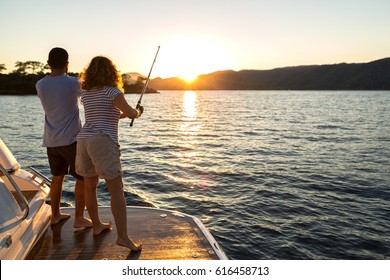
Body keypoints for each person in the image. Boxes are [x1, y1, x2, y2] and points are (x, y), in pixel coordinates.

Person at [76, 56, 143, 251]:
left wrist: (121, 114)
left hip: (83, 141)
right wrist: (137, 112)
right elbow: (131, 113)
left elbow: (104, 113)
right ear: (111, 72)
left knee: (90, 187)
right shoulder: (113, 91)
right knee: (116, 190)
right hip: (103, 141)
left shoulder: (86, 94)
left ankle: (97, 226)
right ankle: (122, 237)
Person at [36, 47, 92, 228]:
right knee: (82, 178)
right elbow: (89, 94)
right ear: (67, 64)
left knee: (57, 177)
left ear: (48, 63)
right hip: (72, 140)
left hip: (51, 141)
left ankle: (55, 215)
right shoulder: (74, 83)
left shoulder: (40, 85)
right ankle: (79, 218)